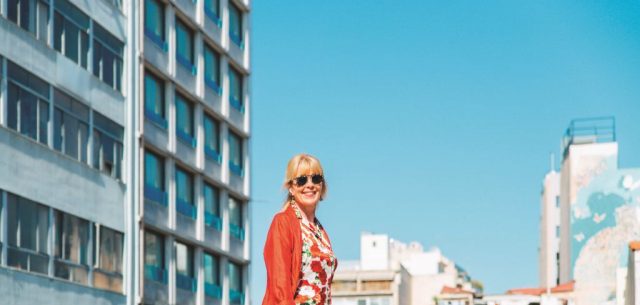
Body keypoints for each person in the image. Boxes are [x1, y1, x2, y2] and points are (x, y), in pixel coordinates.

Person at [262, 154, 338, 305]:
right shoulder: (283, 223)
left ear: (322, 185)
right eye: (302, 180)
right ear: (291, 188)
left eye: (316, 178)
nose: (310, 185)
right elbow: (280, 287)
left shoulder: (320, 232)